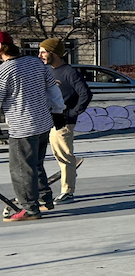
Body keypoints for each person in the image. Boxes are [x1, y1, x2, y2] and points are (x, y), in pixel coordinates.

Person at [0, 43, 62, 221]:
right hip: (43, 122)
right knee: (36, 163)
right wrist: (58, 111)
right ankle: (45, 198)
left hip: (22, 128)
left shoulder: (5, 70)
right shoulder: (36, 63)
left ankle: (30, 208)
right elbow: (53, 89)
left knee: (21, 169)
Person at [39, 38, 91, 204]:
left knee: (64, 157)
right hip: (51, 120)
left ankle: (67, 191)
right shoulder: (49, 71)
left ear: (53, 53)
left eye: (43, 51)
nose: (39, 55)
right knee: (59, 155)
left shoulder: (69, 71)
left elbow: (86, 94)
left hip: (64, 121)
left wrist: (73, 112)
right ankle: (69, 177)